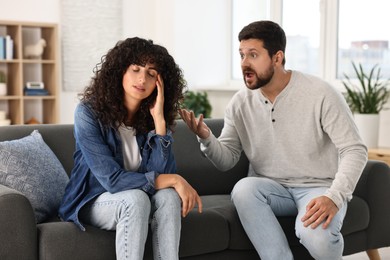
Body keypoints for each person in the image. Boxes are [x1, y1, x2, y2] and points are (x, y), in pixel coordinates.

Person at [179, 20, 367, 260]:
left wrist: (334, 196)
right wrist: (206, 138)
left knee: (316, 237)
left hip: (317, 186)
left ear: (277, 58)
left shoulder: (320, 93)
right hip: (270, 188)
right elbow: (227, 159)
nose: (244, 63)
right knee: (244, 189)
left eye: (253, 55)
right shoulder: (240, 102)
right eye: (242, 55)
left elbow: (355, 149)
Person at [59, 37, 202, 260]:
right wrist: (175, 179)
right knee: (135, 199)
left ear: (160, 83)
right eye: (135, 69)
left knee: (168, 198)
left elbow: (162, 175)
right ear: (120, 71)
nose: (142, 78)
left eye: (151, 74)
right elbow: (112, 181)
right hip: (93, 200)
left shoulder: (151, 120)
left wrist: (160, 125)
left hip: (139, 198)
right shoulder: (88, 113)